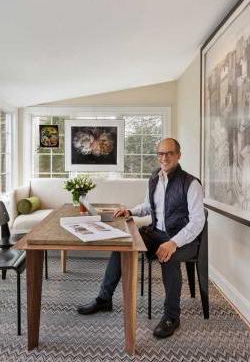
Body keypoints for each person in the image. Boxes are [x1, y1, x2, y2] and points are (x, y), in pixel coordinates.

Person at [76, 138, 205, 339]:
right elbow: (147, 206)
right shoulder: (155, 177)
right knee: (122, 242)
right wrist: (130, 211)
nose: (164, 157)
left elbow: (198, 222)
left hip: (183, 239)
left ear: (179, 156)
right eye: (161, 153)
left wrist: (173, 243)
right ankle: (104, 298)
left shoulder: (191, 183)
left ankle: (172, 316)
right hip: (157, 233)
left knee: (168, 257)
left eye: (169, 153)